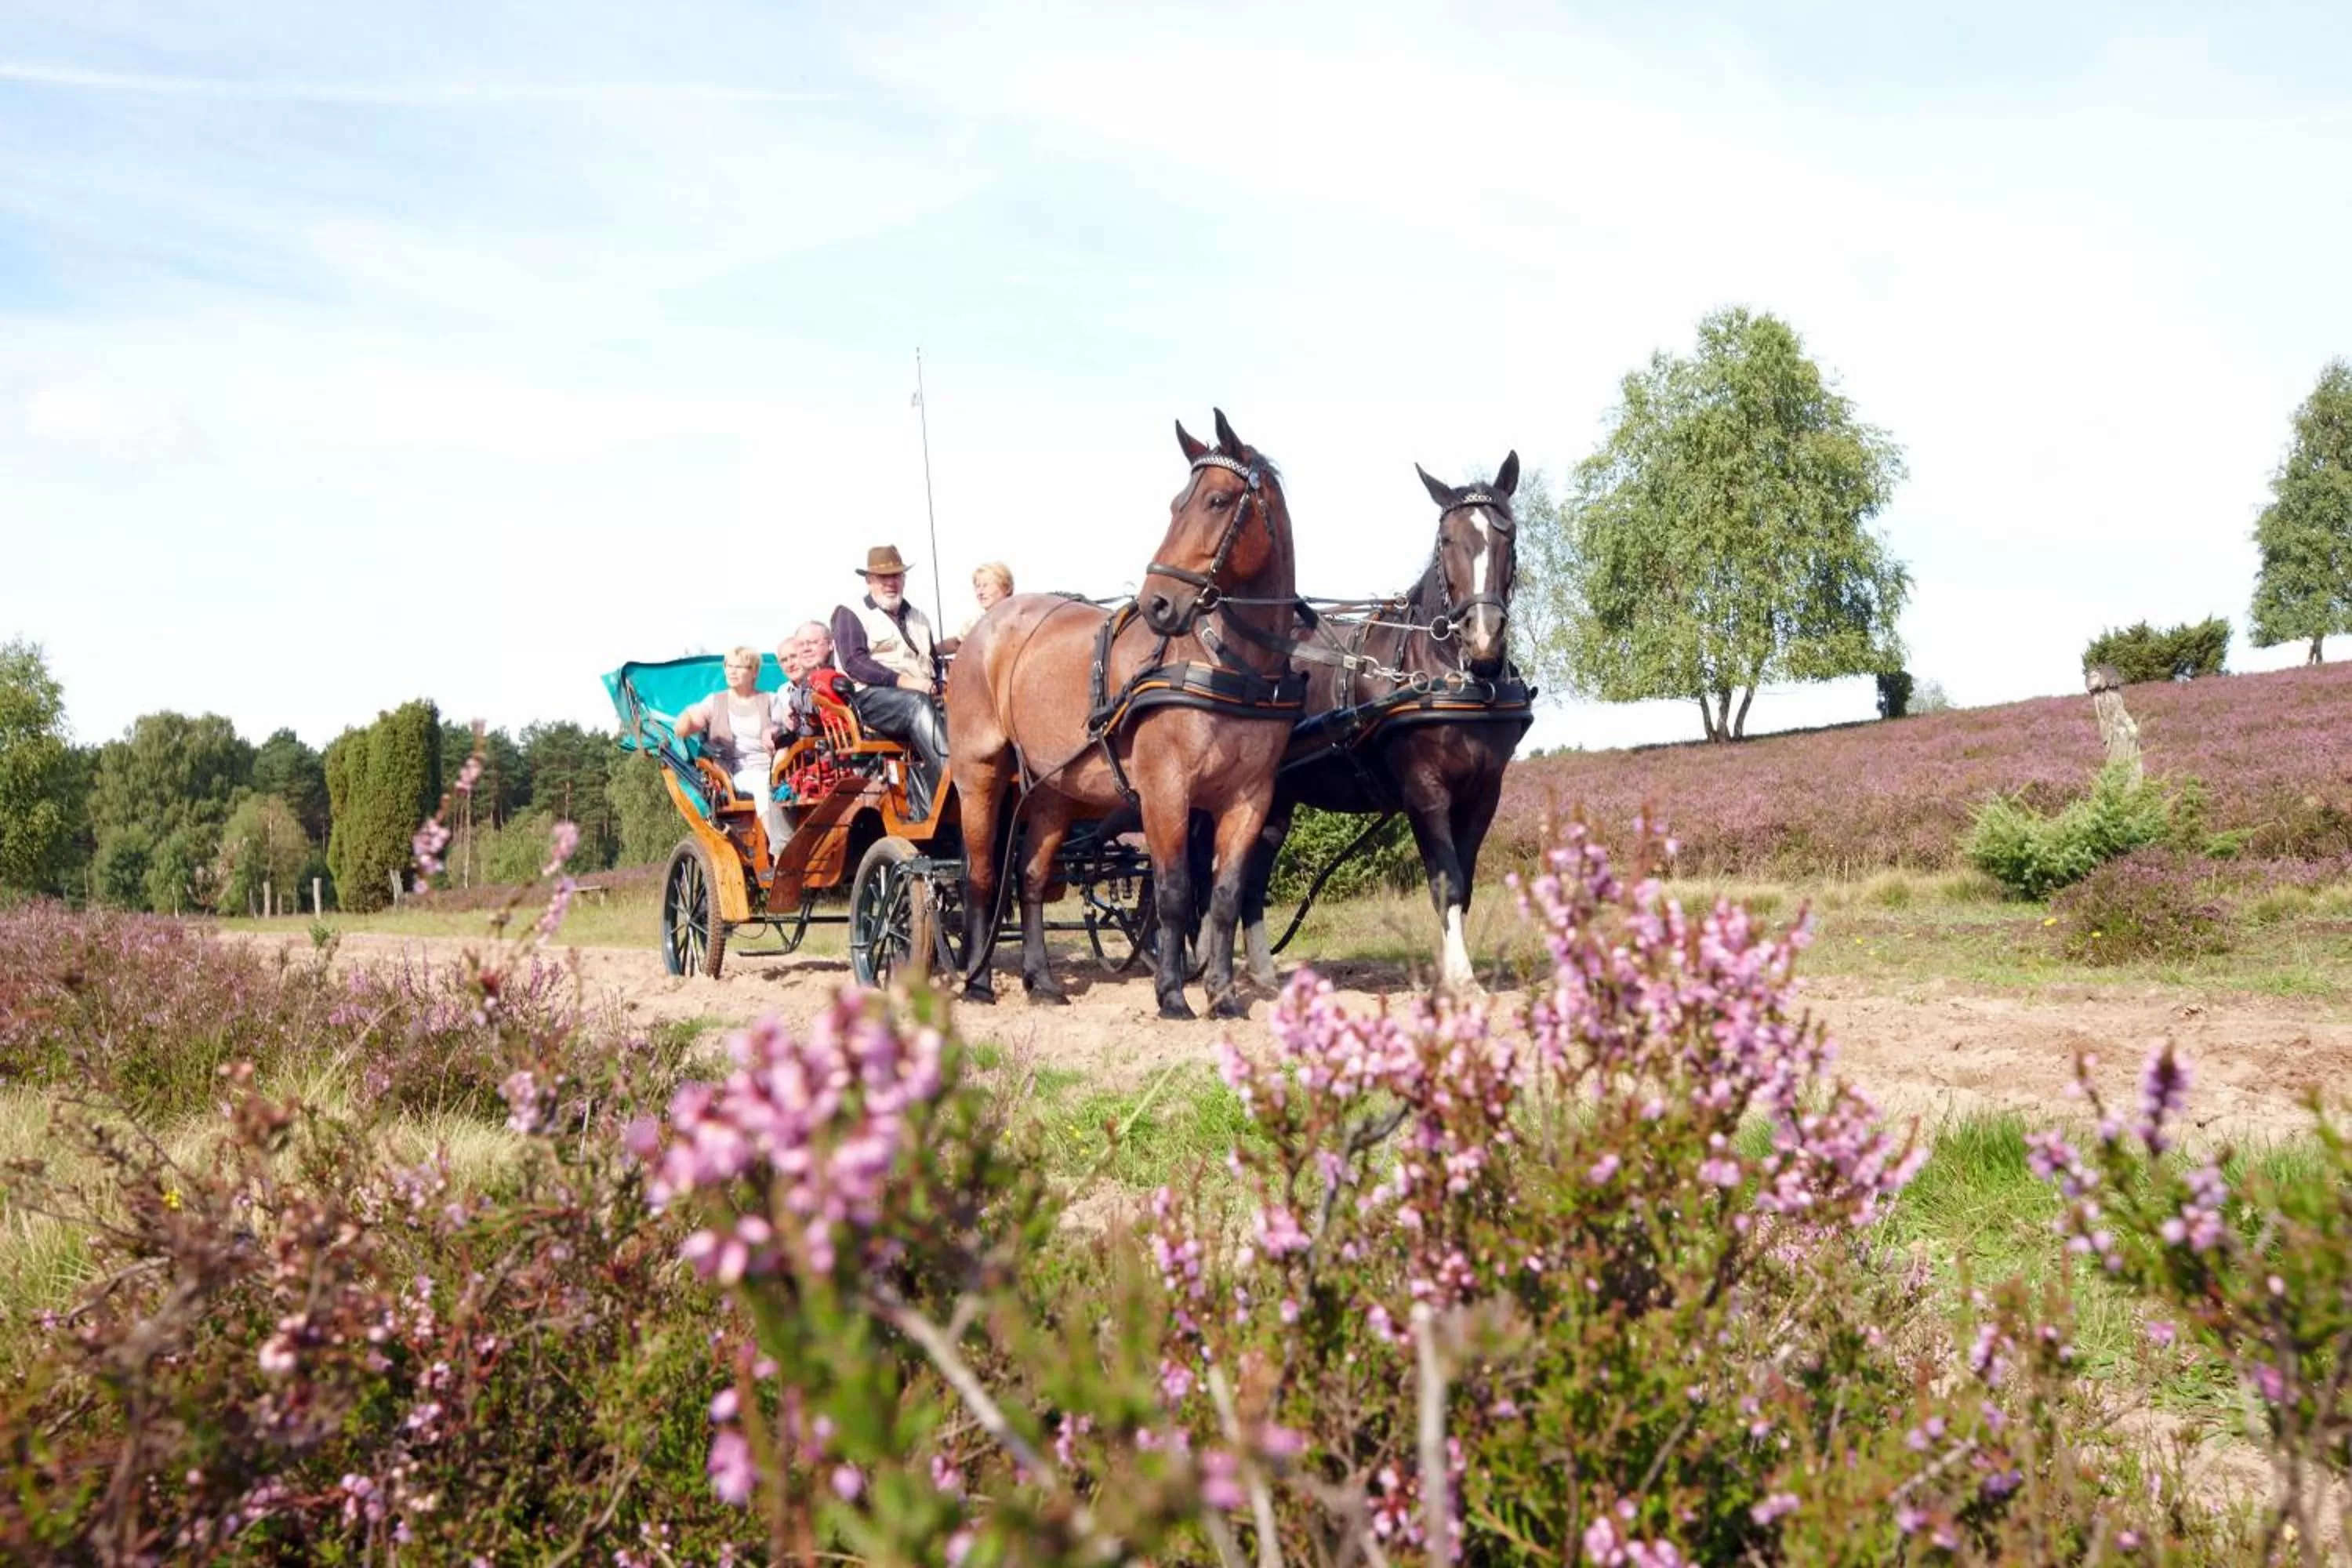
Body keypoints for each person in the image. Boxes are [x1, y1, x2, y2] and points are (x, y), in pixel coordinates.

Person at [831, 544, 947, 822]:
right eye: (883, 578)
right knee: (916, 704)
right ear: (869, 581)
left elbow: (933, 663)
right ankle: (951, 775)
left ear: (904, 579)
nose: (891, 583)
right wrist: (905, 681)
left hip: (925, 696)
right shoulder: (850, 612)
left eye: (896, 576)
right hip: (871, 698)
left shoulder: (920, 617)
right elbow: (854, 663)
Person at [675, 645, 789, 854]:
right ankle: (781, 848)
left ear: (754, 672)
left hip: (775, 766)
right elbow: (693, 720)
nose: (732, 671)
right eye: (728, 666)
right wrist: (686, 721)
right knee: (763, 784)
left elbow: (784, 732)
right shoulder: (715, 701)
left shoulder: (771, 700)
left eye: (740, 666)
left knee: (780, 782)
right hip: (737, 771)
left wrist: (774, 733)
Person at [942, 561, 1014, 653]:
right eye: (977, 586)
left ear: (1006, 587)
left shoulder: (1021, 616)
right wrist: (929, 651)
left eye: (986, 585)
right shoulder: (975, 622)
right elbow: (958, 644)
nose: (980, 592)